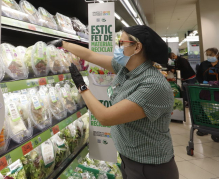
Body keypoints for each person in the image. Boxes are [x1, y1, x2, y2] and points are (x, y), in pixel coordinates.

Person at [49, 25, 178, 179]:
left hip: (150, 168)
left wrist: (82, 87)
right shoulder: (127, 69)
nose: (117, 48)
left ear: (137, 47)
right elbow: (90, 55)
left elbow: (106, 117)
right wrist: (63, 44)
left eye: (121, 44)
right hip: (129, 159)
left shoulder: (153, 85)